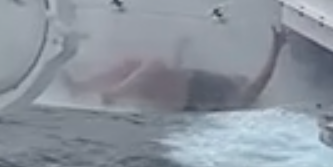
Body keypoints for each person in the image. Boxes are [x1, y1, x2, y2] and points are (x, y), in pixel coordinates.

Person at [62, 27, 289, 112]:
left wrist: (276, 48)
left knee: (155, 65)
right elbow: (177, 71)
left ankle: (113, 95)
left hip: (182, 99)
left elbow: (263, 78)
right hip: (177, 90)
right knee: (131, 65)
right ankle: (81, 87)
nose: (243, 78)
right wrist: (180, 49)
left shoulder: (241, 98)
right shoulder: (227, 85)